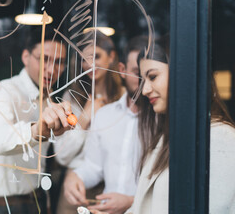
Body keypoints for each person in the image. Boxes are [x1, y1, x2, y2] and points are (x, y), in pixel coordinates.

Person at [124, 36, 235, 214]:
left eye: (152, 77)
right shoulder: (165, 137)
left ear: (183, 72)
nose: (145, 90)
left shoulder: (220, 137)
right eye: (143, 80)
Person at [0, 26, 74, 214]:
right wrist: (36, 131)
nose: (52, 69)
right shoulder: (3, 91)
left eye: (59, 62)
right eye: (45, 59)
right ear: (25, 57)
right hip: (0, 206)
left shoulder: (50, 100)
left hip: (36, 200)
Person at [60, 36, 149, 214]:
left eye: (96, 57)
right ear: (123, 70)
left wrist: (132, 201)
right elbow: (87, 163)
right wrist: (74, 175)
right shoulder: (75, 99)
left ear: (111, 58)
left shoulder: (159, 118)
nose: (89, 65)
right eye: (84, 59)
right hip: (82, 187)